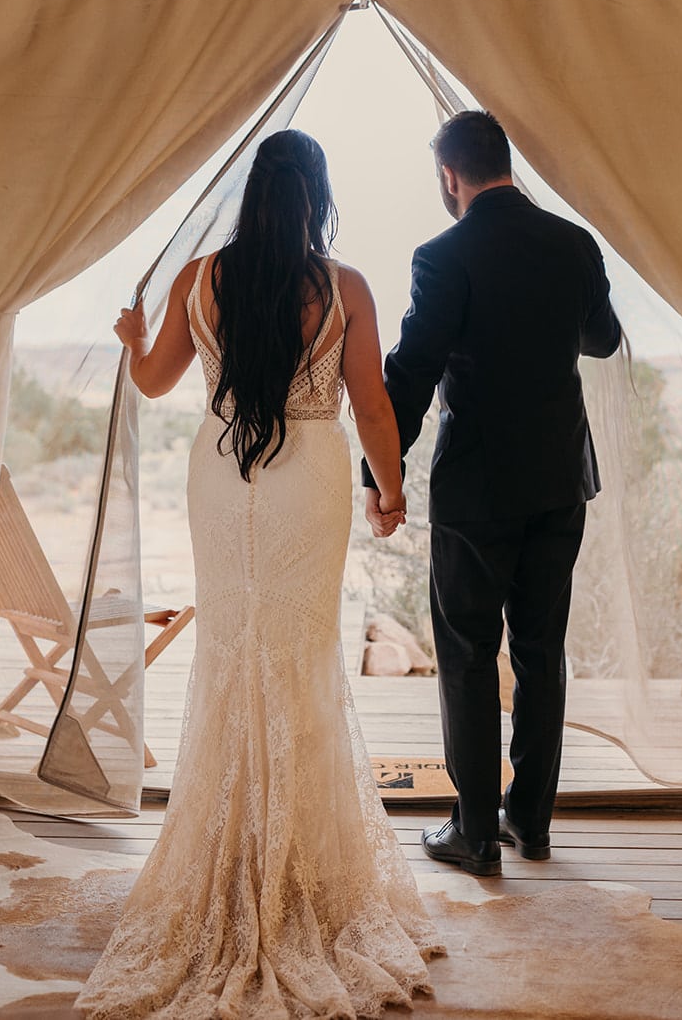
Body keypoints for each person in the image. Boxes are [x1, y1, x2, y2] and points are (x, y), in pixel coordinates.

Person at [75, 129, 442, 1018]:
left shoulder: (201, 276)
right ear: (316, 196)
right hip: (308, 482)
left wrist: (131, 336)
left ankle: (232, 855)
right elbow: (373, 404)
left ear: (253, 194)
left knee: (233, 651)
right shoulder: (343, 286)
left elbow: (157, 380)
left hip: (222, 477)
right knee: (301, 660)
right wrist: (390, 493)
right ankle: (300, 874)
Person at [364, 111, 622, 878]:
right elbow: (602, 338)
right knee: (541, 651)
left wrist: (384, 479)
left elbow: (409, 372)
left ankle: (474, 835)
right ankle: (531, 823)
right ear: (504, 161)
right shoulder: (573, 243)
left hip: (478, 489)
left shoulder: (443, 255)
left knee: (469, 655)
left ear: (450, 176)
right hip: (557, 483)